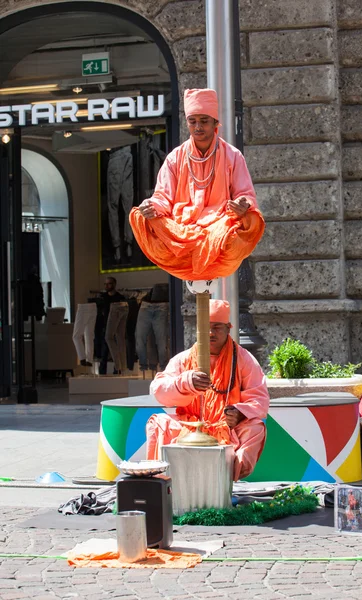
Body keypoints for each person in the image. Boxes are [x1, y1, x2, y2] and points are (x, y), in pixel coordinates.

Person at [129, 88, 265, 281]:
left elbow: (245, 195)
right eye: (192, 121)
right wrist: (152, 207)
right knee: (140, 219)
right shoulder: (175, 158)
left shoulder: (233, 155)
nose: (198, 127)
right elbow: (163, 197)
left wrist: (243, 204)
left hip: (220, 225)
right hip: (181, 229)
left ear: (216, 123)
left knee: (237, 233)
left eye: (204, 121)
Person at [146, 299, 270, 481]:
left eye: (217, 327)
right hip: (189, 426)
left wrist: (240, 413)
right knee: (158, 423)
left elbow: (260, 399)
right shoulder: (183, 359)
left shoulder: (244, 359)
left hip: (226, 428)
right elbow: (158, 391)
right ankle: (164, 484)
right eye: (206, 327)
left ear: (229, 328)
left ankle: (224, 482)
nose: (211, 333)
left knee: (256, 428)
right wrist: (185, 383)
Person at [99, 277, 126, 375]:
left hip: (116, 326)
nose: (106, 286)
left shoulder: (120, 298)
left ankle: (117, 369)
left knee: (117, 346)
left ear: (114, 284)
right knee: (104, 352)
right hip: (106, 326)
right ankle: (102, 372)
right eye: (105, 284)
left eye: (109, 284)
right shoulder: (103, 297)